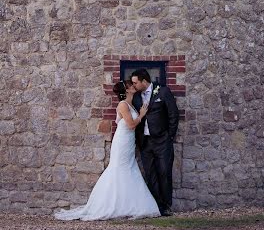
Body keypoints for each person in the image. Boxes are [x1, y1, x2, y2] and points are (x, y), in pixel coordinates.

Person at [54, 80, 160, 221]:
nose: (133, 86)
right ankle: (109, 205)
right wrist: (141, 115)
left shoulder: (129, 104)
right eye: (130, 85)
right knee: (119, 169)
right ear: (127, 90)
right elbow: (130, 125)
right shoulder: (123, 105)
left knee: (129, 168)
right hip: (122, 142)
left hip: (128, 142)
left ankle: (127, 205)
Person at [131, 69, 179, 217]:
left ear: (144, 81)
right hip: (145, 143)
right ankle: (156, 205)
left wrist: (169, 136)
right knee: (150, 174)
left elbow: (173, 114)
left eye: (135, 82)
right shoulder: (136, 96)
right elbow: (121, 97)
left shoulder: (163, 92)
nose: (133, 85)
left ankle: (166, 205)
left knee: (164, 172)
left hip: (162, 141)